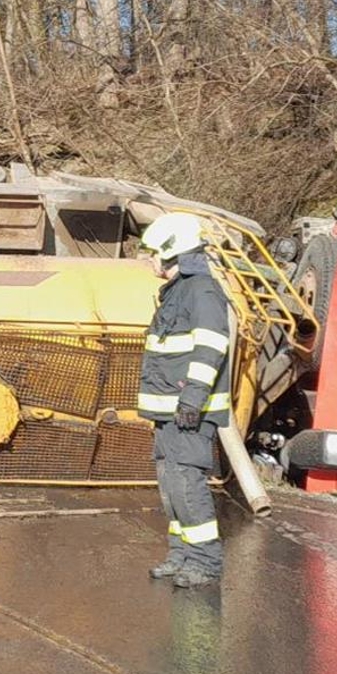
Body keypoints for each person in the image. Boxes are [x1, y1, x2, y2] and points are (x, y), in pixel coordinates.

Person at [136, 212, 233, 589]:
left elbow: (211, 346)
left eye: (153, 253)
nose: (149, 261)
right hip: (169, 411)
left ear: (172, 251)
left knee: (188, 486)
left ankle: (205, 563)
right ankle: (180, 555)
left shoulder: (201, 290)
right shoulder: (178, 291)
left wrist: (192, 400)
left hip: (188, 411)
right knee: (172, 486)